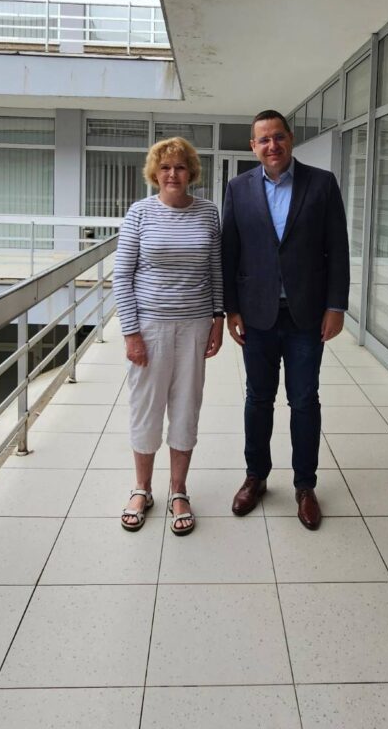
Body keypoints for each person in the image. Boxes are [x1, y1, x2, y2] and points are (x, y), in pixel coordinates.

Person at [222, 109, 349, 529]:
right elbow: (230, 251)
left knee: (304, 400)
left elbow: (337, 249)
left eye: (278, 137)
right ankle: (255, 477)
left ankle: (305, 485)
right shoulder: (238, 188)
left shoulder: (322, 183)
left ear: (290, 139)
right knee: (257, 400)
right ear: (253, 147)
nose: (272, 146)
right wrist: (231, 308)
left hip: (306, 316)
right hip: (256, 315)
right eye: (263, 140)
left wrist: (336, 306)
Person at [113, 136, 224, 536]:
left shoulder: (209, 213)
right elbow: (122, 276)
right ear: (154, 174)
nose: (172, 174)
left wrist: (218, 318)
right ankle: (141, 488)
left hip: (195, 326)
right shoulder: (140, 213)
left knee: (185, 407)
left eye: (179, 167)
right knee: (146, 407)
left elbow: (216, 270)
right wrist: (131, 333)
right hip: (150, 328)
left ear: (191, 172)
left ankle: (178, 490)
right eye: (165, 168)